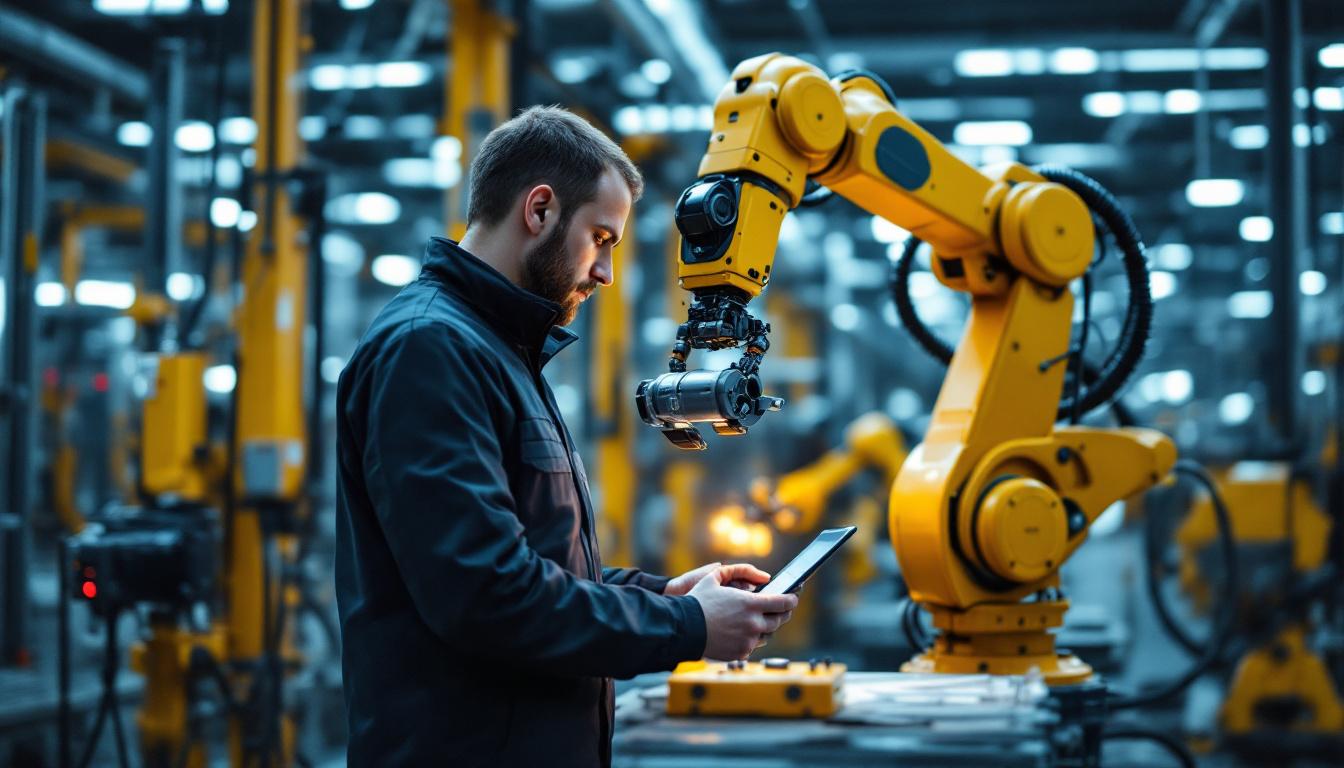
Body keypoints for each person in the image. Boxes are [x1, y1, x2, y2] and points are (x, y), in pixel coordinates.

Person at [334, 105, 799, 767]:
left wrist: (660, 594)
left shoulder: (500, 352)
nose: (606, 272)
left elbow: (532, 565)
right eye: (602, 238)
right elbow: (486, 596)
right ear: (541, 209)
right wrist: (688, 627)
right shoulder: (429, 350)